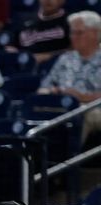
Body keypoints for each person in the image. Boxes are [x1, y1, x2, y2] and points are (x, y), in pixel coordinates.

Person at [38, 11, 101, 144]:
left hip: (92, 109)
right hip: (62, 106)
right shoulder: (65, 58)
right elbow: (43, 88)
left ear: (96, 33)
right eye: (72, 33)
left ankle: (70, 160)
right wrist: (51, 92)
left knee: (82, 115)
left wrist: (84, 98)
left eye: (79, 33)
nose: (73, 37)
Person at [14, 0, 70, 64]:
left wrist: (51, 56)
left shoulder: (70, 21)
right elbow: (13, 46)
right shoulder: (24, 20)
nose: (48, 1)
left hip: (56, 65)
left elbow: (75, 50)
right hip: (25, 65)